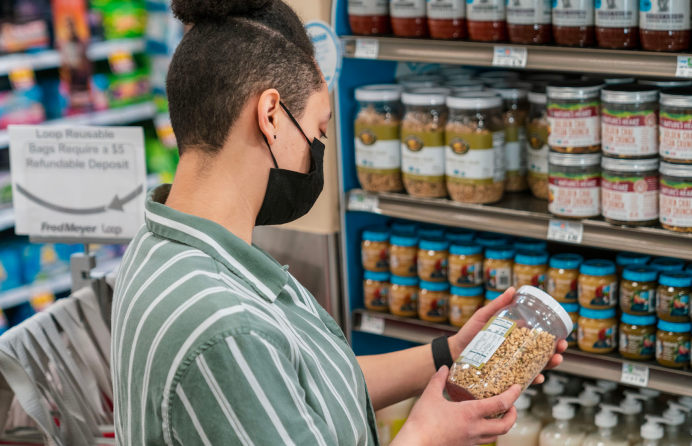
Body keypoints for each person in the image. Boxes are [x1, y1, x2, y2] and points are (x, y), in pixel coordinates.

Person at [110, 0, 566, 445]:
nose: (318, 148)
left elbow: (306, 394)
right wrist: (428, 434)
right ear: (271, 116)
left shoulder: (163, 247)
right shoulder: (227, 329)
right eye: (319, 130)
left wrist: (449, 354)